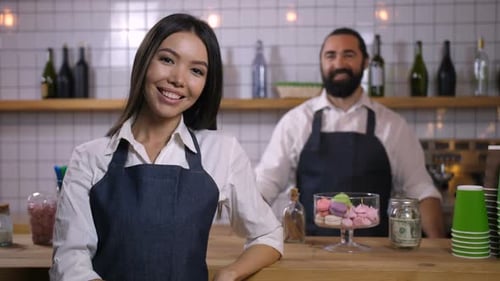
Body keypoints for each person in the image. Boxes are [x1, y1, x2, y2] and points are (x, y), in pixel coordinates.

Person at [49, 13, 283, 281]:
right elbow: (69, 259)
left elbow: (268, 233)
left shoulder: (222, 151)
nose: (178, 79)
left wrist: (229, 274)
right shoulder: (89, 157)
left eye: (196, 70)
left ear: (206, 84)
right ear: (145, 61)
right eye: (167, 59)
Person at [255, 27, 445, 238]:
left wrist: (438, 247)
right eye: (330, 56)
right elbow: (265, 183)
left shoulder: (392, 125)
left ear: (365, 61)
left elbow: (421, 190)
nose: (339, 64)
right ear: (321, 63)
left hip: (377, 255)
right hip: (310, 254)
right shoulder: (296, 122)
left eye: (349, 55)